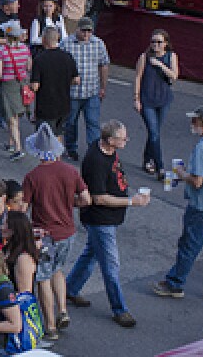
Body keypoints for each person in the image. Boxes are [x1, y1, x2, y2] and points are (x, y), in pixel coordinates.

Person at [65, 120, 150, 329]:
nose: (127, 141)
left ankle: (70, 289)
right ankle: (119, 309)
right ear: (110, 140)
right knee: (111, 265)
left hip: (107, 218)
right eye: (123, 138)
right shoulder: (95, 161)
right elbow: (99, 198)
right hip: (99, 219)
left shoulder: (108, 150)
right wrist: (132, 201)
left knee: (91, 254)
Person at [153, 106, 203, 306]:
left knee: (189, 245)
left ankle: (175, 283)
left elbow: (197, 181)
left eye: (195, 121)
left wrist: (180, 173)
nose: (192, 125)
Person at [22, 123, 90, 342]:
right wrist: (71, 203)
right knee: (58, 270)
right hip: (67, 232)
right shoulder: (71, 171)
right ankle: (63, 310)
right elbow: (86, 199)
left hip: (45, 235)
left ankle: (50, 325)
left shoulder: (33, 177)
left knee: (42, 278)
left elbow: (23, 209)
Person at [60, 17, 109, 162]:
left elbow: (104, 65)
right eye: (84, 31)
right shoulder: (66, 44)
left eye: (89, 31)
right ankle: (71, 149)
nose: (86, 34)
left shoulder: (98, 44)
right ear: (77, 29)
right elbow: (61, 66)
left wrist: (103, 87)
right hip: (72, 93)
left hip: (91, 92)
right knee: (70, 123)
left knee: (93, 122)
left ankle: (94, 152)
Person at [133, 29, 179, 176]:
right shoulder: (144, 57)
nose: (156, 45)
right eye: (153, 42)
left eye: (159, 42)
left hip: (163, 100)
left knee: (155, 133)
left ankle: (147, 159)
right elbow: (138, 78)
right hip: (148, 100)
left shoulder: (171, 56)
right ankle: (160, 167)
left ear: (166, 43)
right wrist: (136, 98)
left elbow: (174, 76)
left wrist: (160, 65)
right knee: (153, 133)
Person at [0, 21, 31, 161]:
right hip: (21, 84)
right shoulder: (25, 49)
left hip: (7, 86)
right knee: (14, 115)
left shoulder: (1, 51)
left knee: (11, 118)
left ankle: (18, 148)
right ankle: (10, 142)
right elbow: (28, 67)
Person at [29, 27, 78, 136]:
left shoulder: (39, 59)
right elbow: (76, 79)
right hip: (64, 105)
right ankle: (58, 154)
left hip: (46, 107)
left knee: (44, 139)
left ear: (43, 40)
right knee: (58, 134)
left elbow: (35, 86)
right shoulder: (68, 57)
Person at [4, 211, 41, 295]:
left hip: (16, 306)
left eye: (5, 224)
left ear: (14, 229)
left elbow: (25, 294)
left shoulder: (24, 259)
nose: (1, 227)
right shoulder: (8, 248)